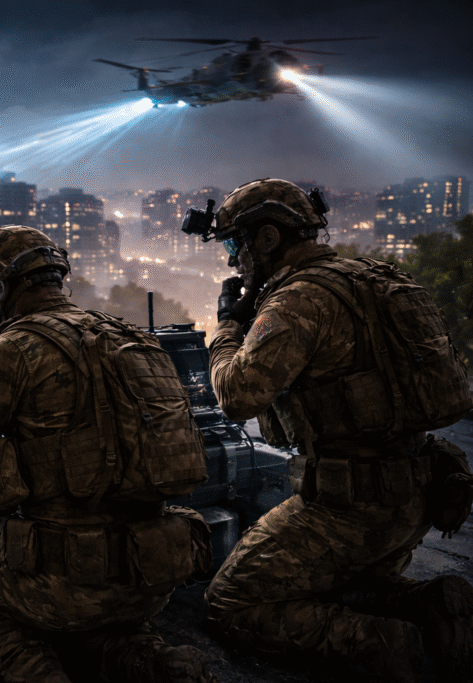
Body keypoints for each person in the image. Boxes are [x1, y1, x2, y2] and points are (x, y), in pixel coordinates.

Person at [0, 225, 217, 683]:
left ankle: (34, 671)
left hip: (65, 584)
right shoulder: (135, 340)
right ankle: (150, 662)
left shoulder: (7, 354)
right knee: (100, 611)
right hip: (152, 574)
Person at [200, 178, 473, 682]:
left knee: (229, 602)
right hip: (417, 495)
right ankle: (428, 604)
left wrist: (226, 329)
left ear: (267, 239)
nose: (234, 261)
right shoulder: (374, 276)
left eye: (237, 245)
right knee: (339, 586)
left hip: (346, 508)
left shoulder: (298, 300)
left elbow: (238, 396)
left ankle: (377, 643)